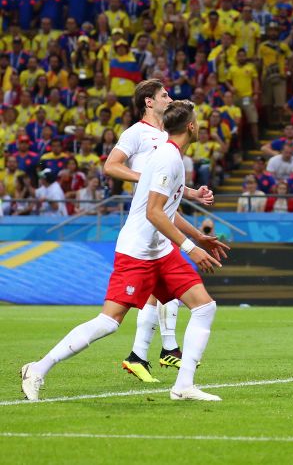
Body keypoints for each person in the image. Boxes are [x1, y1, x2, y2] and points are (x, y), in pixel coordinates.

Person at [22, 101, 228, 401]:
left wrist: (198, 236)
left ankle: (183, 386)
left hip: (160, 250)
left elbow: (165, 209)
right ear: (191, 127)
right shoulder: (169, 159)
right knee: (109, 322)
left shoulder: (172, 157)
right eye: (198, 121)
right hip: (137, 251)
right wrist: (190, 247)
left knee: (204, 307)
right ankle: (38, 368)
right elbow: (154, 214)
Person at [102, 80, 215, 382]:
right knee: (152, 298)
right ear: (149, 103)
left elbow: (169, 183)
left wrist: (190, 193)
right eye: (165, 95)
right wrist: (146, 176)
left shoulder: (167, 137)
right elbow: (111, 166)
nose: (170, 98)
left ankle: (154, 351)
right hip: (147, 219)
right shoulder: (136, 132)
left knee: (167, 293)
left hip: (160, 211)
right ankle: (155, 351)